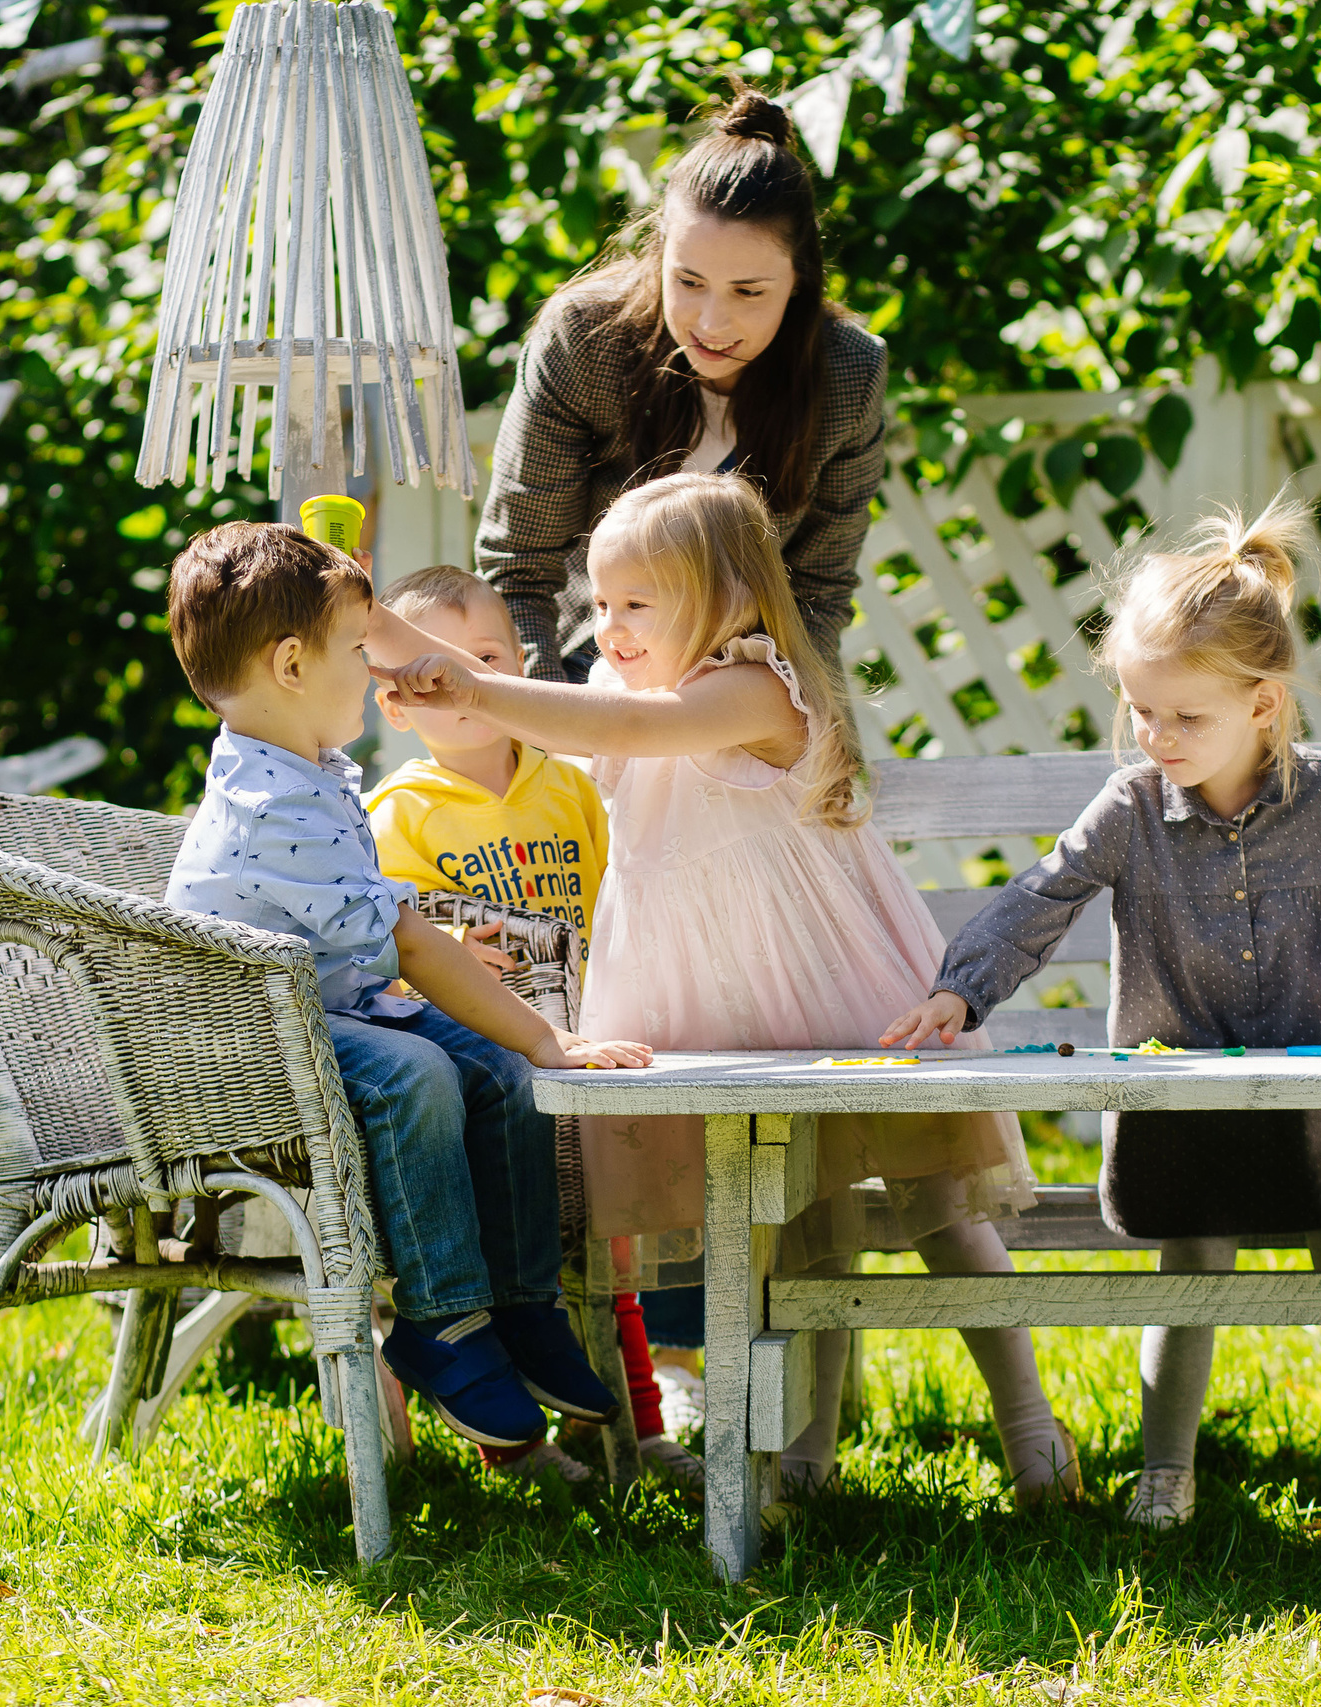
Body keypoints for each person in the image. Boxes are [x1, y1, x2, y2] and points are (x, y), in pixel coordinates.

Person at [375, 471, 1080, 1507]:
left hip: (828, 984)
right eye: (598, 604)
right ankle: (799, 1455)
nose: (606, 630)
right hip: (714, 999)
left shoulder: (753, 685)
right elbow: (562, 721)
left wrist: (471, 685)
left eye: (634, 606)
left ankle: (1030, 1432)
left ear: (720, 597)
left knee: (937, 1204)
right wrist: (373, 629)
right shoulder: (628, 687)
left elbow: (613, 733)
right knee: (792, 1229)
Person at [883, 497, 1321, 1530]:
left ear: (1263, 702)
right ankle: (1166, 1474)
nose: (1156, 737)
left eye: (1183, 717)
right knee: (1189, 1268)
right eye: (1140, 712)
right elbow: (1040, 899)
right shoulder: (1128, 810)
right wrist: (960, 986)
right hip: (1182, 1092)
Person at [160, 522, 652, 1459]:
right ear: (295, 664)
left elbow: (389, 954)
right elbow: (412, 945)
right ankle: (444, 1318)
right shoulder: (274, 801)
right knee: (418, 1072)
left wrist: (526, 1048)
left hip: (325, 1013)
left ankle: (519, 1297)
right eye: (360, 651)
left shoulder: (298, 757)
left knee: (498, 1070)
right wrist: (548, 1037)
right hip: (254, 1048)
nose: (381, 677)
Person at [365, 563, 704, 1495]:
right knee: (493, 1247)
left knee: (609, 1248)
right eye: (427, 667)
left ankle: (634, 1421)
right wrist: (440, 950)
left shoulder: (571, 791)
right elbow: (381, 950)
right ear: (394, 702)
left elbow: (616, 902)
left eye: (479, 659)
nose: (457, 683)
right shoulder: (397, 812)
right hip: (475, 1072)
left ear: (517, 668)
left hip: (580, 1050)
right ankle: (511, 1448)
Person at [478, 85, 886, 682]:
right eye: (688, 281)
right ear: (659, 253)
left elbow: (818, 590)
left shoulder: (849, 374)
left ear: (798, 279)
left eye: (749, 292)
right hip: (584, 667)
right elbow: (519, 569)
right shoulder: (586, 340)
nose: (712, 324)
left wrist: (792, 721)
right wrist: (552, 732)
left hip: (746, 679)